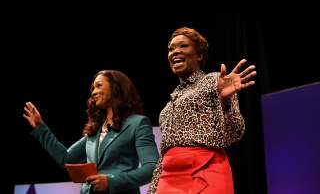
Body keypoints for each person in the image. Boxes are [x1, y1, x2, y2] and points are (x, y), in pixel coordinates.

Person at [147, 27, 257, 194]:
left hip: (206, 169)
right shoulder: (169, 104)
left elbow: (234, 133)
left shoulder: (215, 82)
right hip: (169, 179)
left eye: (183, 46)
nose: (175, 52)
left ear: (199, 55)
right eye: (171, 48)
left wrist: (226, 102)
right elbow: (164, 153)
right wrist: (152, 189)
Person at [23, 70, 159, 194]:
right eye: (93, 88)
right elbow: (66, 158)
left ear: (116, 88)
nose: (93, 92)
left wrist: (111, 181)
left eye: (99, 86)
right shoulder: (96, 130)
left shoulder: (137, 123)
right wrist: (41, 127)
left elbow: (152, 167)